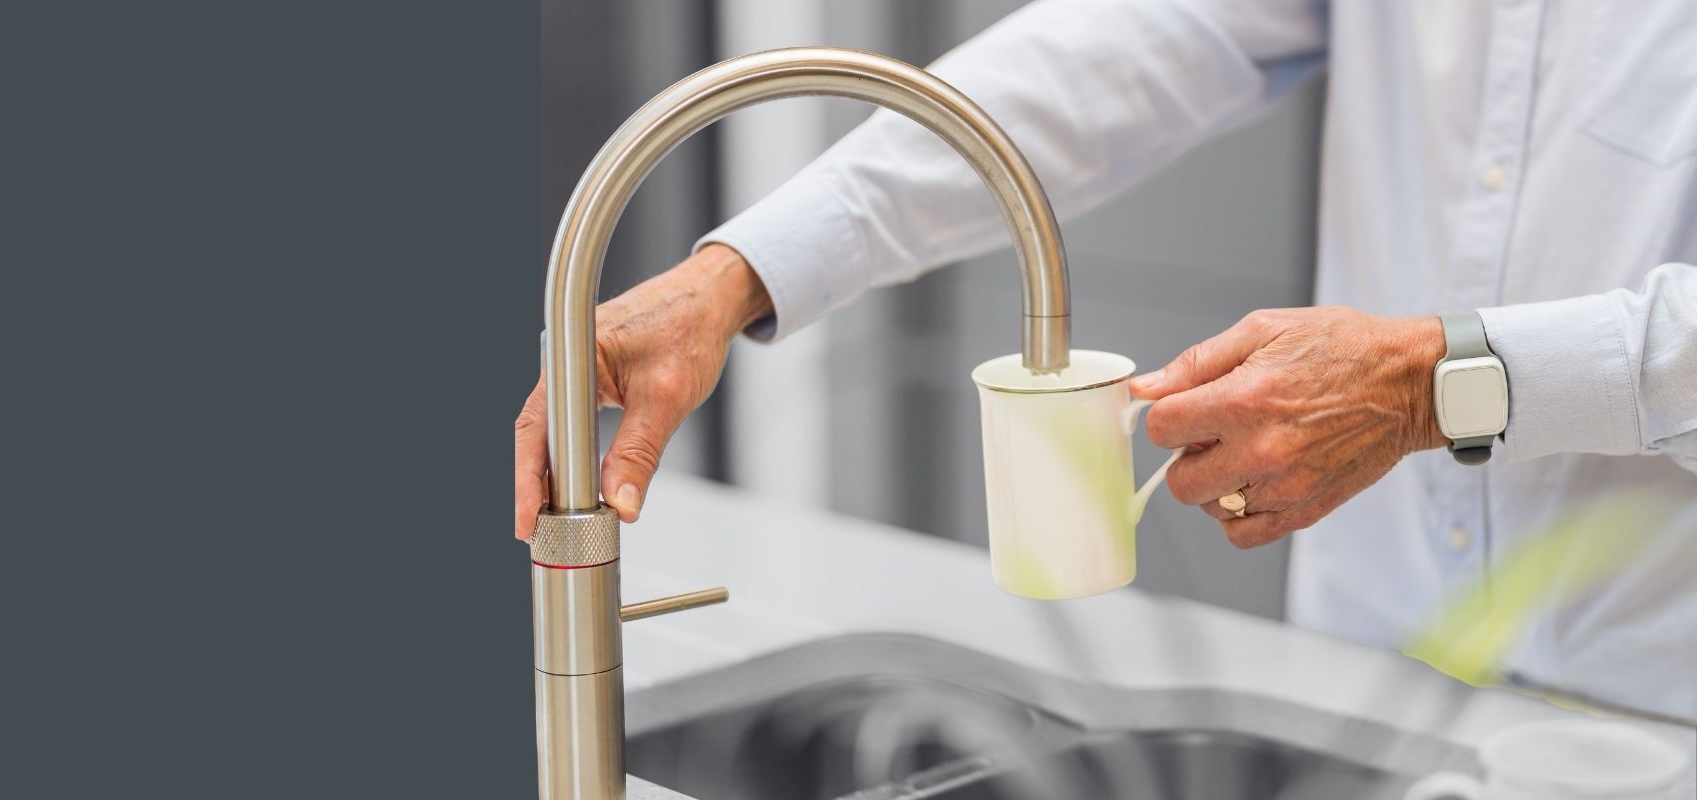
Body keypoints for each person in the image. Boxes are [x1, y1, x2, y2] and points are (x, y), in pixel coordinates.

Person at [516, 0, 1697, 720]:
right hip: (1372, 678)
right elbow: (1143, 37)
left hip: (1660, 694)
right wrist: (743, 268)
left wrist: (1429, 383)